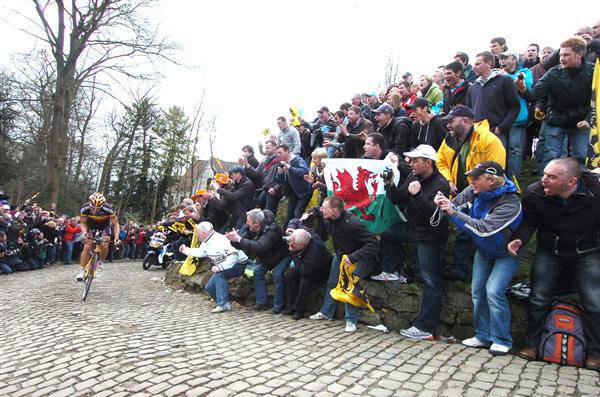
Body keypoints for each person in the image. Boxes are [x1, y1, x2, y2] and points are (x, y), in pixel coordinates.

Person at [507, 158, 600, 370]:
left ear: (571, 181)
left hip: (587, 250)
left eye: (551, 177)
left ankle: (595, 353)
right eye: (544, 174)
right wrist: (519, 239)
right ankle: (532, 344)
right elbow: (529, 221)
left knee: (594, 301)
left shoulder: (596, 192)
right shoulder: (535, 193)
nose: (544, 180)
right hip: (550, 249)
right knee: (538, 297)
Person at [436, 161, 522, 355]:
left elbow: (484, 229)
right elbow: (455, 205)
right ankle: (483, 335)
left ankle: (501, 339)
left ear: (491, 180)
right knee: (478, 291)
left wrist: (453, 212)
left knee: (494, 291)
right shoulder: (473, 190)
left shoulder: (511, 203)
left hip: (506, 252)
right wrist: (442, 203)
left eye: (476, 178)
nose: (471, 181)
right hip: (484, 251)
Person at [381, 146, 450, 342]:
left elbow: (434, 218)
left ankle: (425, 327)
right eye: (410, 160)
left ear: (428, 162)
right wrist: (389, 184)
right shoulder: (414, 177)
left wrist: (418, 195)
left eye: (415, 161)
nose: (410, 164)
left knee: (431, 281)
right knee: (386, 233)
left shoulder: (441, 184)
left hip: (431, 237)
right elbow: (397, 198)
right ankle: (391, 271)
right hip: (413, 230)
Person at [436, 105, 506, 282]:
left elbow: (495, 173)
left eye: (451, 121)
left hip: (487, 194)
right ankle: (460, 270)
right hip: (460, 191)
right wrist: (448, 180)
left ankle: (470, 272)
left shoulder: (488, 140)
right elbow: (440, 161)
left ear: (465, 121)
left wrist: (476, 190)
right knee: (460, 229)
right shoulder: (449, 139)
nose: (448, 126)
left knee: (476, 229)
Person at [304, 196, 379, 333]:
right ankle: (326, 312)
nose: (322, 210)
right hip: (340, 255)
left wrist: (353, 257)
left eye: (325, 208)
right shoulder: (327, 216)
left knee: (351, 287)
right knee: (332, 282)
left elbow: (373, 244)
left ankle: (351, 320)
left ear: (334, 210)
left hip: (356, 257)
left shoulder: (353, 224)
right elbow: (316, 210)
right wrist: (309, 213)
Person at [533, 36, 594, 169]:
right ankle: (550, 186)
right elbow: (535, 94)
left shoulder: (593, 72)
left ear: (580, 54)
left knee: (582, 156)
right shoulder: (553, 72)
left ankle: (582, 188)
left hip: (581, 121)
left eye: (566, 55)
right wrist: (522, 89)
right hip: (556, 119)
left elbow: (597, 100)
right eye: (560, 55)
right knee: (552, 156)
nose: (562, 58)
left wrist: (588, 119)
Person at [226, 209, 290, 313]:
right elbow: (243, 243)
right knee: (257, 272)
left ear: (257, 223)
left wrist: (239, 239)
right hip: (268, 257)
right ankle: (262, 302)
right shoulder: (251, 227)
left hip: (283, 255)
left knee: (278, 276)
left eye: (249, 221)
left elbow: (260, 247)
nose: (246, 223)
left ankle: (278, 306)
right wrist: (233, 240)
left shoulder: (272, 230)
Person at [179, 222, 248, 313]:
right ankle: (225, 303)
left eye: (198, 232)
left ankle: (222, 304)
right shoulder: (206, 241)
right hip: (225, 266)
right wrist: (185, 250)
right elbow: (201, 252)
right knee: (209, 287)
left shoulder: (220, 240)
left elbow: (234, 256)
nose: (196, 234)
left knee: (220, 274)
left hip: (239, 264)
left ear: (204, 233)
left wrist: (221, 267)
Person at [466, 51, 520, 142]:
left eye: (478, 64)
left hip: (496, 134)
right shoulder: (472, 87)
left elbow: (515, 107)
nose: (474, 67)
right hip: (476, 134)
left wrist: (501, 128)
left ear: (489, 63)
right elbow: (468, 111)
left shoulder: (505, 80)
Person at [499, 50, 534, 179]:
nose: (502, 60)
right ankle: (501, 181)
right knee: (501, 150)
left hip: (518, 118)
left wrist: (506, 77)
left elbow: (526, 87)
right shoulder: (498, 74)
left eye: (505, 58)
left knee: (515, 150)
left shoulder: (525, 72)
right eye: (501, 58)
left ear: (514, 59)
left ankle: (514, 181)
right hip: (502, 119)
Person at [284, 228, 331, 320]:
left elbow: (305, 272)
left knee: (305, 282)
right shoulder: (307, 235)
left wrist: (293, 253)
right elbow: (299, 222)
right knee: (289, 277)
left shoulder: (315, 251)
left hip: (320, 270)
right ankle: (292, 306)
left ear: (302, 245)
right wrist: (291, 227)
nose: (290, 244)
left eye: (293, 244)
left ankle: (299, 310)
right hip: (304, 263)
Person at [76, 193, 120, 281]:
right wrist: (84, 232)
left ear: (102, 205)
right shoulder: (85, 208)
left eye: (98, 208)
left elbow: (115, 224)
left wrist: (116, 236)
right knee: (87, 245)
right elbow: (82, 222)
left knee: (105, 244)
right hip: (91, 225)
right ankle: (81, 271)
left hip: (104, 226)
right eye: (93, 208)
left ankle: (100, 262)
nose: (95, 210)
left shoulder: (108, 209)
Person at [274, 144, 311, 226]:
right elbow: (280, 181)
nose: (278, 155)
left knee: (297, 213)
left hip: (305, 191)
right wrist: (279, 174)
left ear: (287, 151)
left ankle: (301, 233)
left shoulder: (297, 160)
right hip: (294, 192)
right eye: (277, 153)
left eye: (280, 153)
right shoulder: (282, 163)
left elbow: (304, 172)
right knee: (289, 215)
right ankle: (286, 234)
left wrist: (290, 168)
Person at [211, 166, 255, 230]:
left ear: (238, 174)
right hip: (236, 213)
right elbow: (230, 192)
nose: (231, 176)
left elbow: (234, 196)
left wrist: (218, 189)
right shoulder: (237, 183)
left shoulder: (247, 184)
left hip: (244, 214)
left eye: (232, 174)